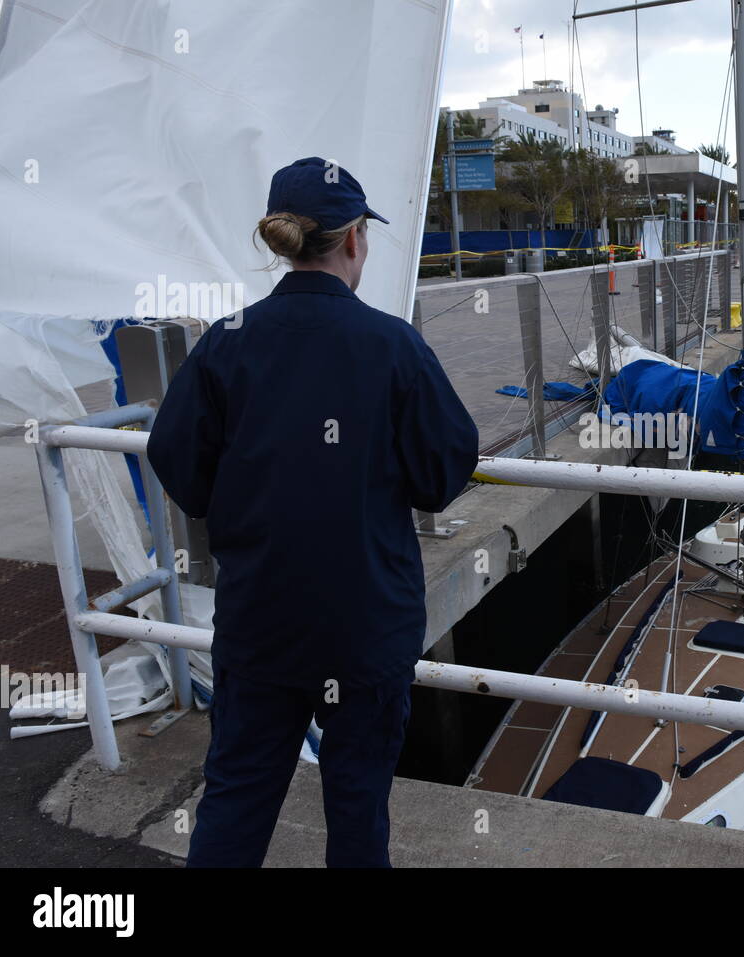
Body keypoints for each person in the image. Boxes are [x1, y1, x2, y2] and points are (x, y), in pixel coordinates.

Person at [147, 156, 479, 867]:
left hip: (259, 624)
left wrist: (224, 507)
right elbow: (445, 467)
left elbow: (174, 455)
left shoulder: (225, 343)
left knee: (235, 797)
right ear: (354, 239)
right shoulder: (393, 345)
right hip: (365, 628)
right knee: (358, 810)